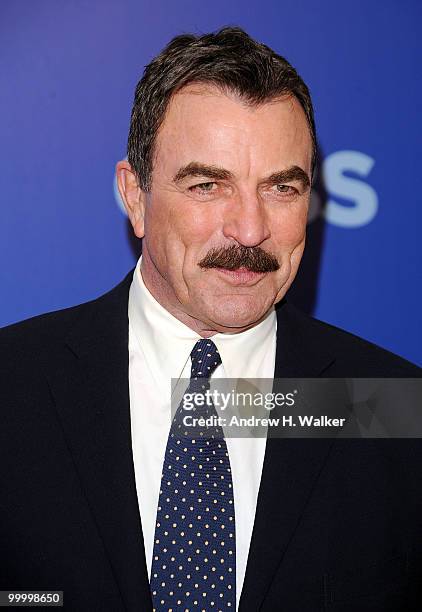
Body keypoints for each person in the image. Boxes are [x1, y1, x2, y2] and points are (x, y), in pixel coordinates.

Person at [0, 26, 421, 612]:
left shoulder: (392, 405)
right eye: (207, 185)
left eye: (281, 188)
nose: (250, 230)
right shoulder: (13, 383)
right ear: (135, 196)